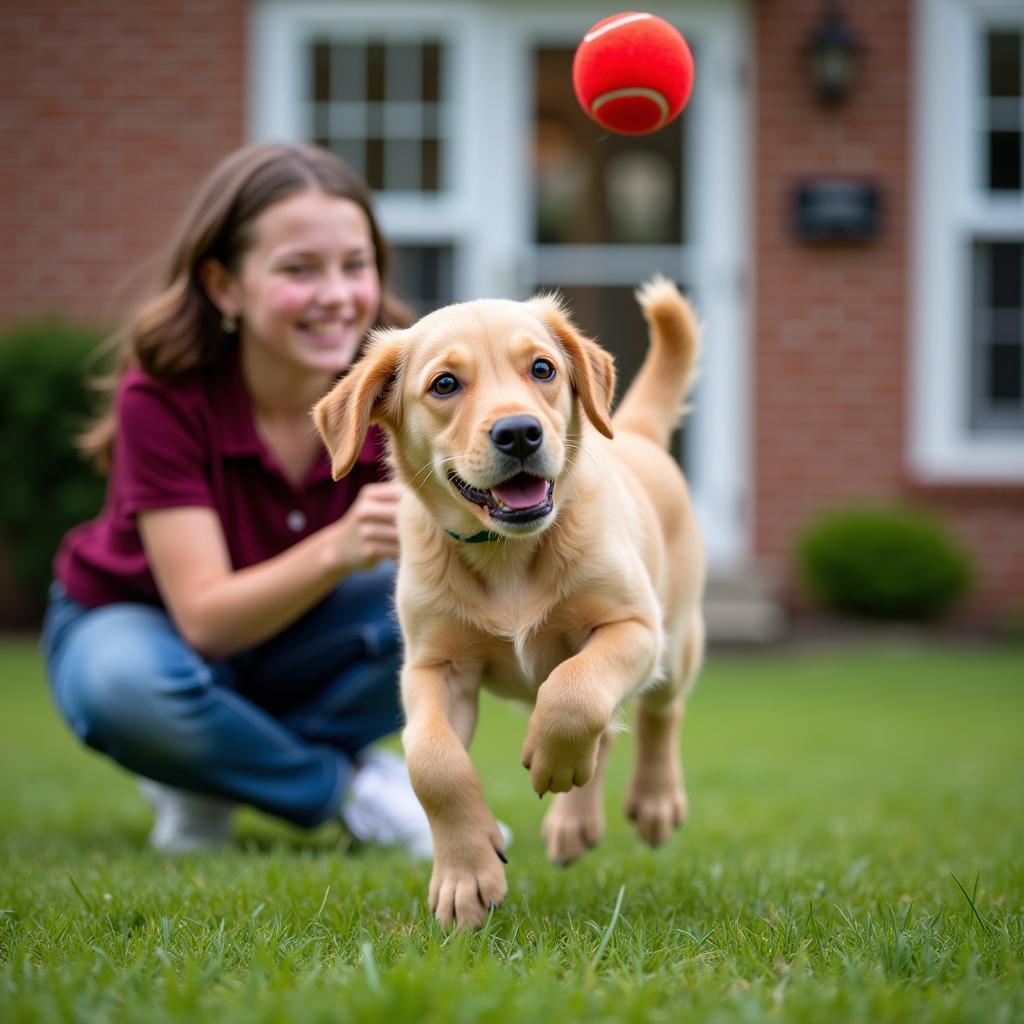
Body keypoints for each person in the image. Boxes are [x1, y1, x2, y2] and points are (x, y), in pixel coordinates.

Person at [40, 142, 435, 856]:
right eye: (298, 269)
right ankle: (347, 788)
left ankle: (208, 772)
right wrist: (339, 546)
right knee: (125, 688)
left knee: (445, 613)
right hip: (145, 628)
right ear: (224, 286)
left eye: (356, 264)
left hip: (301, 642)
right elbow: (206, 621)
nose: (337, 295)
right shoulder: (163, 397)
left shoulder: (404, 385)